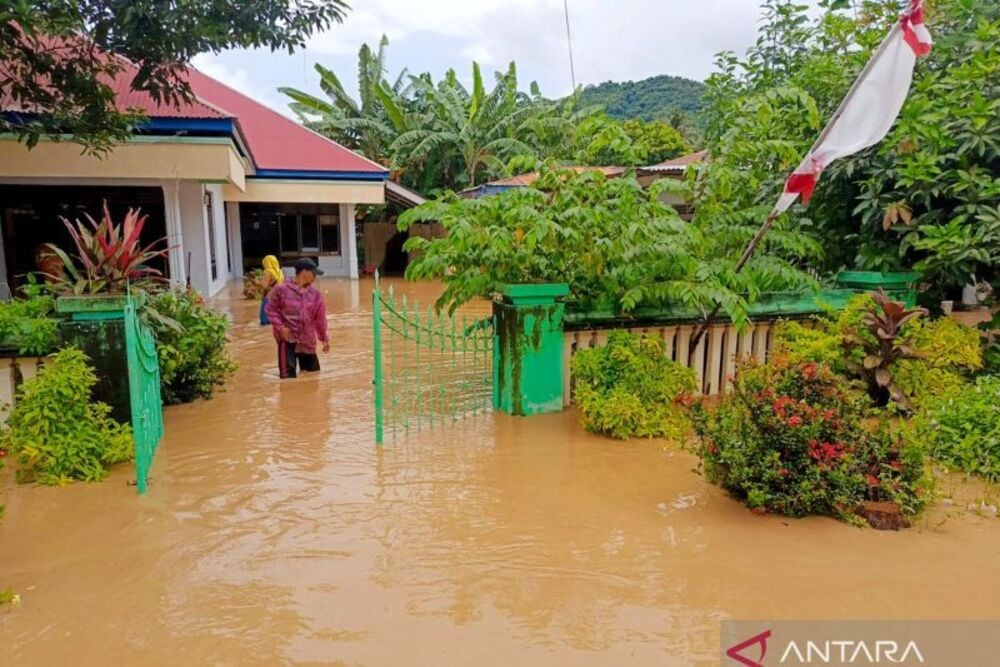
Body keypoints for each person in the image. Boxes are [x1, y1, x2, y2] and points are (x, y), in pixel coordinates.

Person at [264, 258, 329, 379]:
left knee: (312, 375)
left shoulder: (315, 294)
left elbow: (320, 318)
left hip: (307, 339)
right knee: (287, 379)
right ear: (304, 272)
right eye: (314, 273)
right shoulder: (281, 289)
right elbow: (270, 309)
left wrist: (324, 337)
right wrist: (280, 327)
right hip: (287, 339)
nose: (315, 276)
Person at [258, 255, 284, 325]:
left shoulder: (268, 272)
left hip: (270, 297)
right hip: (279, 296)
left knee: (264, 320)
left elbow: (265, 286)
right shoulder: (279, 272)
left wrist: (257, 282)